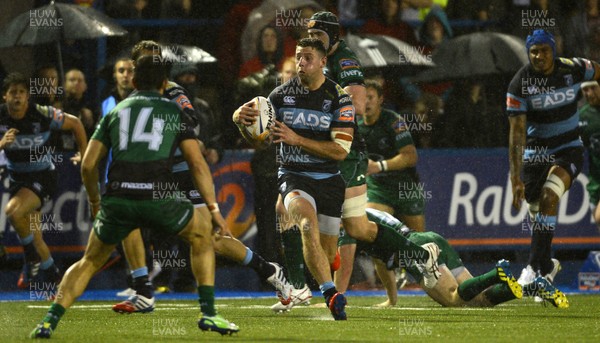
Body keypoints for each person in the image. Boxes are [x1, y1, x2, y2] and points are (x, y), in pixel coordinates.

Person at [30, 55, 239, 339]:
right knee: (202, 235)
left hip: (119, 198)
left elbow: (89, 165)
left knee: (89, 262)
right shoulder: (173, 111)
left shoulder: (116, 111)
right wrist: (213, 211)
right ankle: (209, 314)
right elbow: (197, 163)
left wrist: (95, 202)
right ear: (165, 84)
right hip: (159, 198)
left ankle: (49, 322)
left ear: (135, 81)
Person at [269, 11, 438, 311]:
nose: (313, 39)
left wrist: (325, 99)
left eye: (319, 34)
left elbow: (357, 104)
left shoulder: (344, 60)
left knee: (356, 228)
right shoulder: (309, 63)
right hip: (323, 148)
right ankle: (300, 286)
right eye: (310, 33)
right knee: (288, 210)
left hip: (344, 152)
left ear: (333, 37)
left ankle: (418, 255)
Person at [111, 41, 293, 313]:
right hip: (152, 175)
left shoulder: (172, 91)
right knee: (128, 221)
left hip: (182, 173)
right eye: (145, 62)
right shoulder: (131, 100)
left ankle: (269, 270)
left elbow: (191, 120)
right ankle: (143, 290)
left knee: (211, 238)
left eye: (155, 61)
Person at [233, 38, 355, 320]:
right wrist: (239, 119)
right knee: (304, 223)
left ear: (323, 62)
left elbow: (340, 151)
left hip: (328, 180)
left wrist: (297, 138)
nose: (301, 63)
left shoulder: (339, 99)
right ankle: (330, 293)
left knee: (327, 253)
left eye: (308, 58)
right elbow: (261, 140)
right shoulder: (279, 96)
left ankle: (324, 268)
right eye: (298, 57)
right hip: (294, 176)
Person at [506, 29, 600, 287]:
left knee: (550, 196)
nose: (539, 56)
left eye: (544, 50)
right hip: (536, 154)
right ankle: (547, 266)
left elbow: (598, 71)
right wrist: (515, 177)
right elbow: (517, 134)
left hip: (569, 148)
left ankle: (532, 267)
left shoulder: (574, 68)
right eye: (533, 51)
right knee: (539, 214)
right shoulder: (519, 84)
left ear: (553, 50)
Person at [338, 208, 569, 309]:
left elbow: (348, 264)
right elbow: (381, 259)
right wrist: (392, 299)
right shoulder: (362, 209)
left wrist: (335, 294)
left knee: (454, 299)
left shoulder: (346, 220)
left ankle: (495, 274)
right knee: (478, 300)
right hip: (429, 238)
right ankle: (532, 286)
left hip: (416, 250)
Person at [0, 73, 87, 290]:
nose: (17, 97)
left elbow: (76, 123)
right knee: (36, 238)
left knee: (12, 211)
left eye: (21, 92)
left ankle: (30, 260)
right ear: (5, 97)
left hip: (43, 177)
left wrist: (84, 154)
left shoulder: (41, 114)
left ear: (28, 97)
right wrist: (1, 144)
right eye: (13, 93)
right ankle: (53, 274)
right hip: (18, 180)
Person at [579, 80, 600, 229]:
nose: (590, 93)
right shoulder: (582, 117)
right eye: (586, 90)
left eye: (593, 88)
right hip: (596, 184)